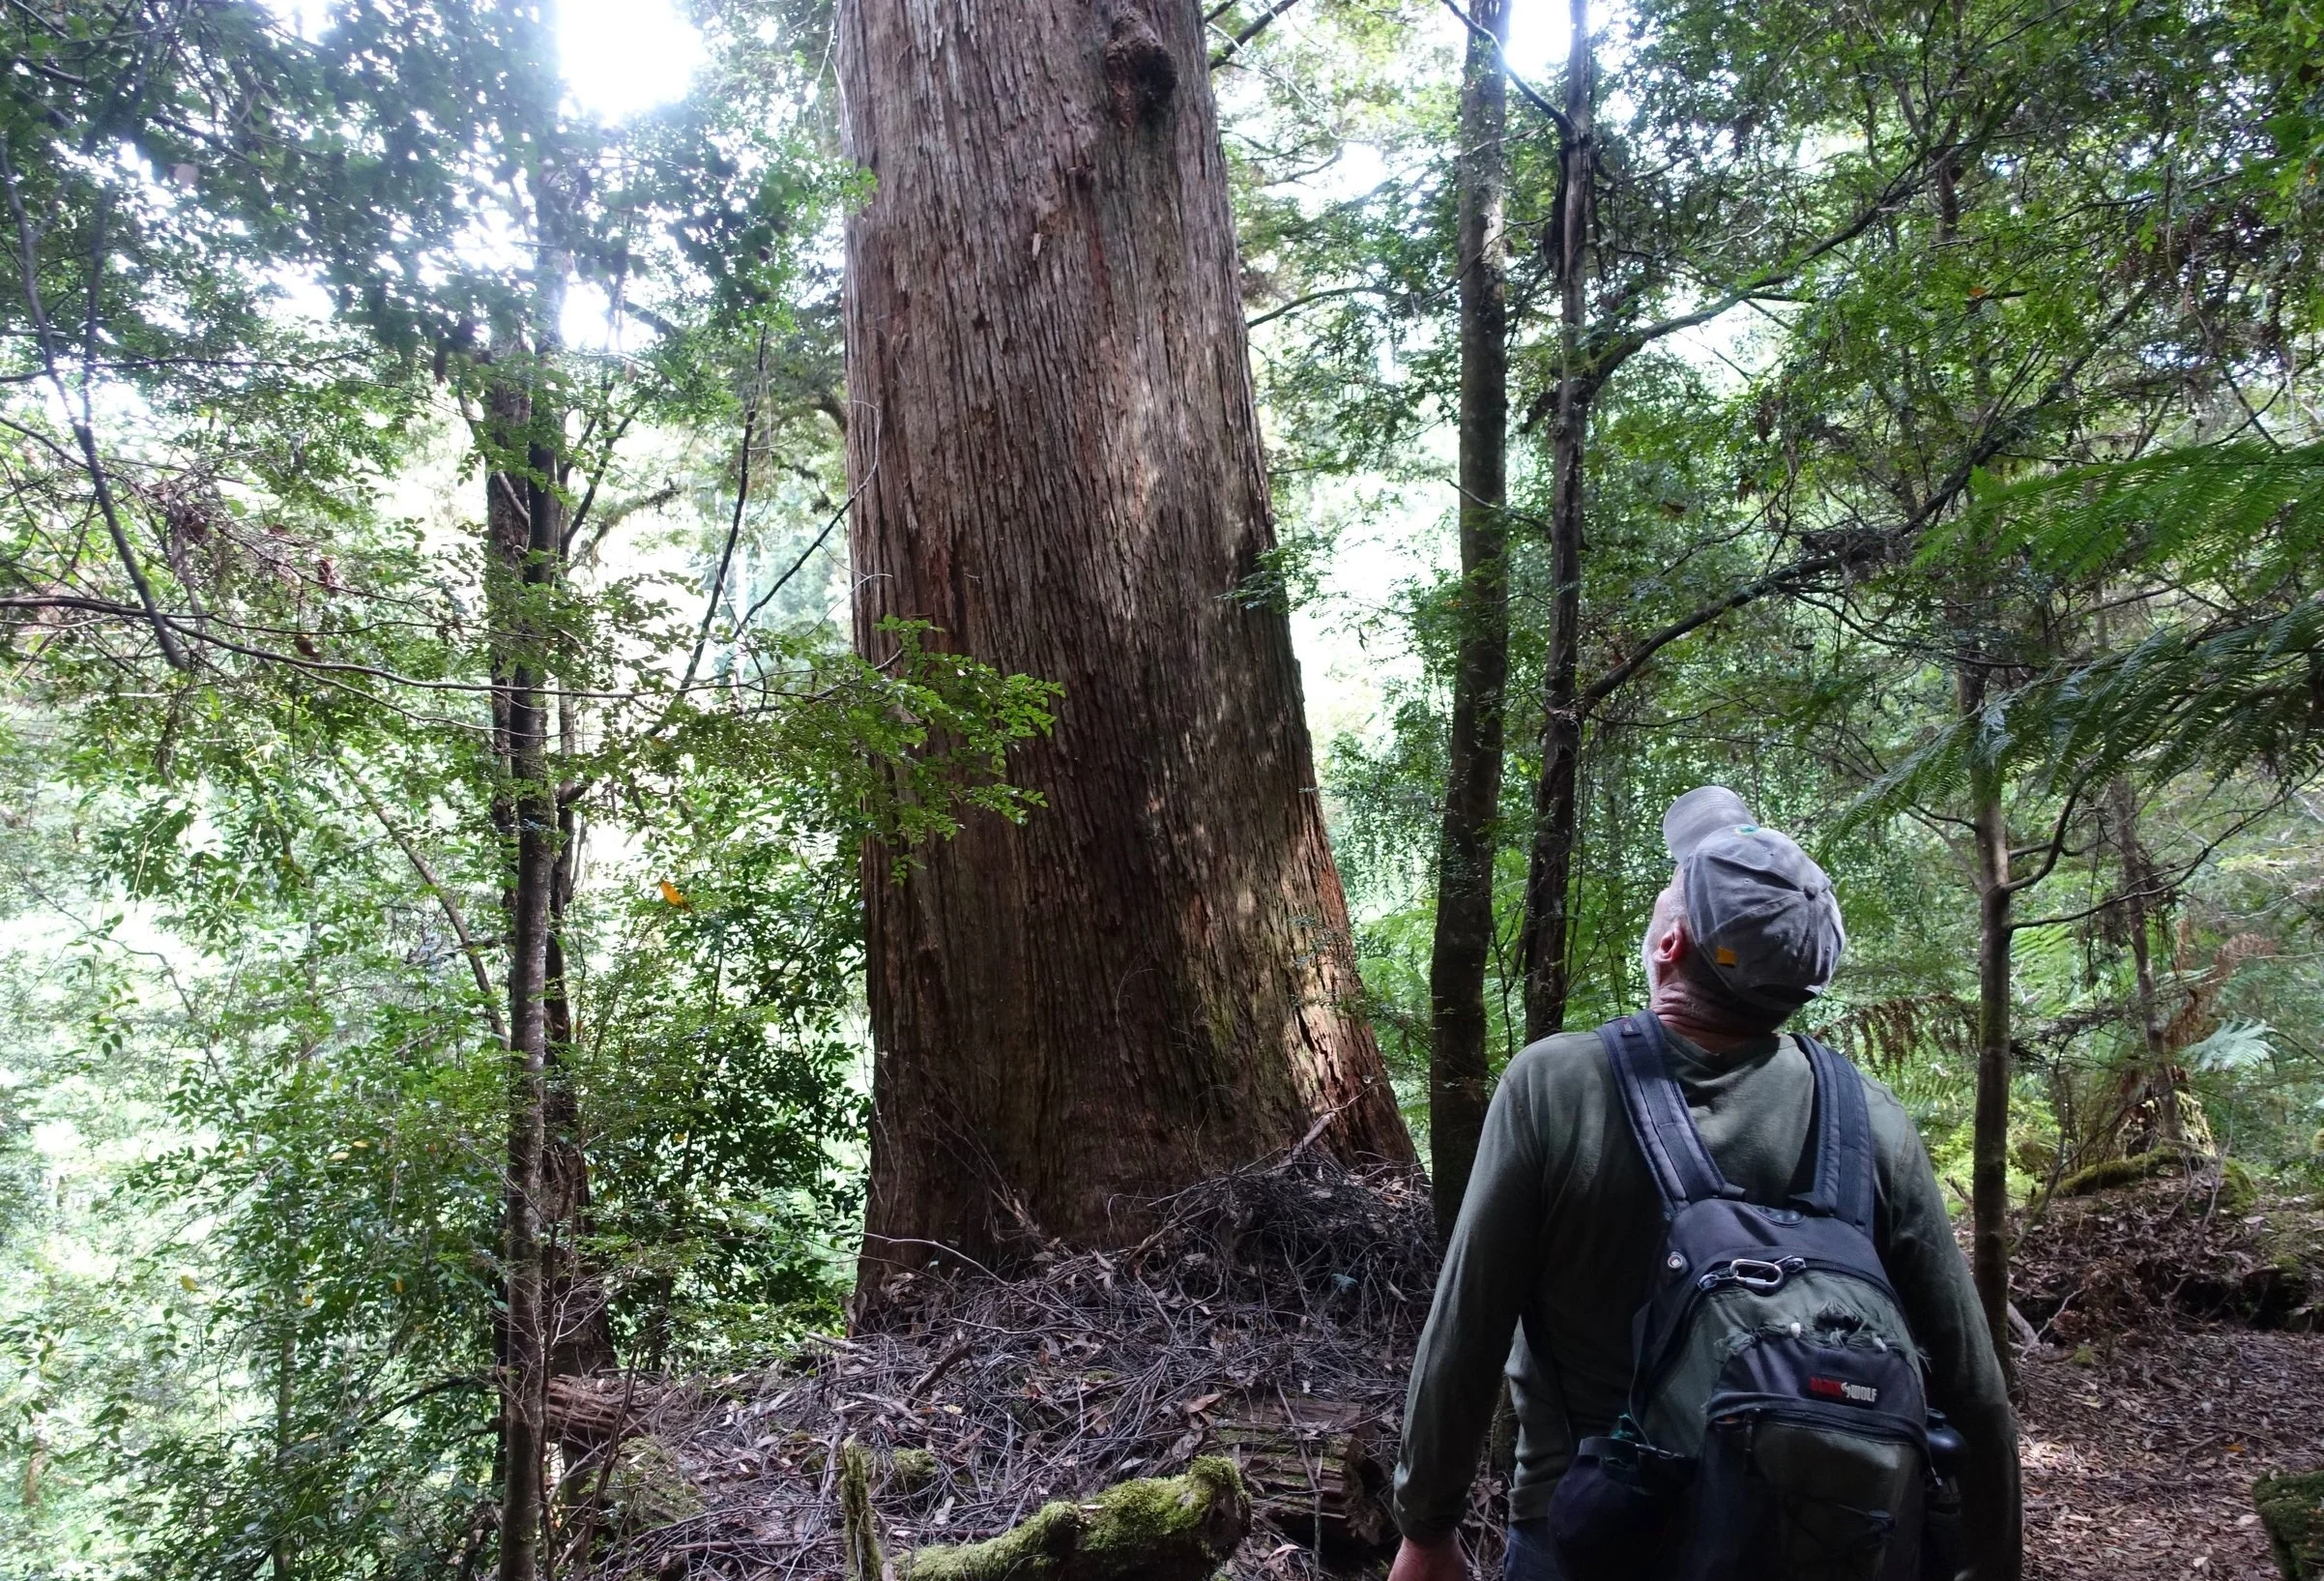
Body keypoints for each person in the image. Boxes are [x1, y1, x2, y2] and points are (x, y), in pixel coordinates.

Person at [1388, 786, 2020, 1581]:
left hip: (1586, 1537)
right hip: (1821, 1541)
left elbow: (1465, 1331)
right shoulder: (1871, 1119)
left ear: (1669, 941)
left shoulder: (1557, 1086)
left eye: (1674, 885)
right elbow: (1974, 1387)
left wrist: (1426, 1525)